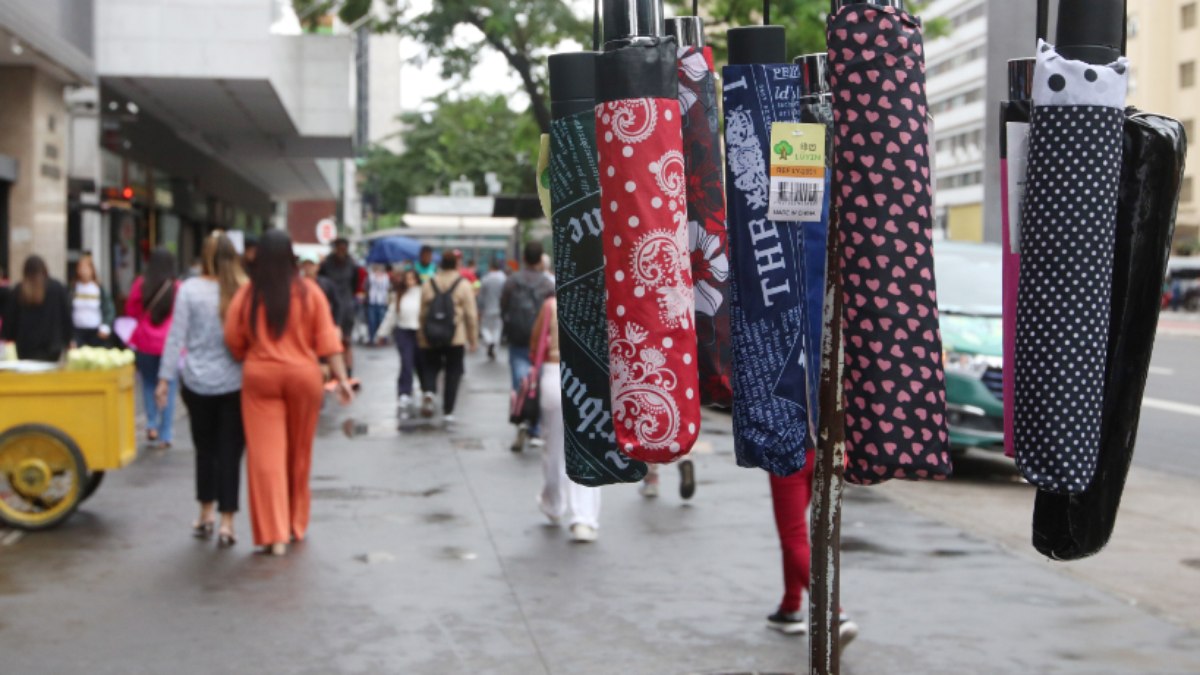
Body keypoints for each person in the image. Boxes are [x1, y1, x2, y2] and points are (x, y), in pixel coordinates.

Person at [224, 230, 353, 556]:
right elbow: (327, 340)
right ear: (291, 257)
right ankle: (296, 523)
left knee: (265, 458)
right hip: (303, 378)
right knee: (298, 455)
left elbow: (233, 340)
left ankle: (274, 534)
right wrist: (343, 380)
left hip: (261, 378)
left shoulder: (249, 294)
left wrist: (250, 353)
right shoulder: (309, 292)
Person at [157, 233, 247, 547]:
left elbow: (175, 336)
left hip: (196, 383)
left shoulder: (189, 290)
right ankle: (228, 522)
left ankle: (205, 511)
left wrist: (164, 379)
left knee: (205, 450)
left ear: (204, 257)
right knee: (230, 453)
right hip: (235, 382)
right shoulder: (242, 290)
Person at [767, 452, 858, 648]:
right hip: (834, 453)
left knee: (793, 536)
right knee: (798, 535)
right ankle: (790, 607)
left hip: (790, 451)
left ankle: (835, 614)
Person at [532, 295, 601, 543]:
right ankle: (583, 518)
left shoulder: (550, 304)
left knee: (553, 447)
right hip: (589, 373)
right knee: (588, 446)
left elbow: (534, 345)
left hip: (554, 372)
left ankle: (553, 503)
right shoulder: (600, 297)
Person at [501, 242, 554, 450]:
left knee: (519, 380)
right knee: (538, 382)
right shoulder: (548, 285)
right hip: (540, 343)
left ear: (523, 258)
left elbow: (503, 306)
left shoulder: (512, 281)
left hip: (517, 338)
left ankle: (521, 419)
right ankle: (535, 429)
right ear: (541, 259)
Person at [126, 247, 179, 448]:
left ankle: (151, 425)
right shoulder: (177, 287)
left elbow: (131, 310)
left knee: (148, 384)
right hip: (169, 344)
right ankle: (165, 434)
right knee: (169, 387)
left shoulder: (141, 284)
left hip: (145, 343)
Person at [418, 249, 478, 421]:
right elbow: (471, 315)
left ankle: (429, 391)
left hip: (431, 334)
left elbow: (422, 313)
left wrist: (421, 335)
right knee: (453, 372)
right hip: (455, 337)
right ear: (457, 264)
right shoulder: (464, 284)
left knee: (430, 366)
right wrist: (473, 339)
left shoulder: (429, 283)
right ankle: (448, 410)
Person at [0, 255, 73, 362]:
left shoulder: (18, 290)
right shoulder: (57, 288)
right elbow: (66, 316)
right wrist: (68, 339)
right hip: (52, 347)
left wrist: (8, 337)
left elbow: (10, 320)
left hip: (25, 347)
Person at [375, 268, 422, 410]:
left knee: (419, 363)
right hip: (403, 331)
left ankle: (425, 388)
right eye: (407, 279)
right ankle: (404, 391)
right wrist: (382, 333)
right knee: (406, 361)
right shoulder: (399, 295)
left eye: (412, 279)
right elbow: (391, 315)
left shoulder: (423, 293)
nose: (410, 282)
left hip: (419, 332)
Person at [318, 237, 362, 374]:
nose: (341, 250)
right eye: (339, 247)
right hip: (330, 305)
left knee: (346, 340)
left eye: (344, 247)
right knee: (329, 339)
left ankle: (347, 371)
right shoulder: (326, 264)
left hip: (346, 305)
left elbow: (355, 284)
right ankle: (333, 371)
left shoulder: (352, 265)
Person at [70, 253, 115, 348]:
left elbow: (109, 309)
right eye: (81, 268)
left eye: (86, 268)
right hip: (78, 331)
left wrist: (106, 326)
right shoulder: (73, 288)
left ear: (92, 270)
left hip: (96, 332)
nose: (83, 271)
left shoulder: (98, 288)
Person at [477, 259, 507, 361]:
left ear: (491, 267)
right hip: (500, 309)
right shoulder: (504, 278)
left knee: (484, 328)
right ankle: (494, 342)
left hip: (487, 308)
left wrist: (479, 308)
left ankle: (489, 341)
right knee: (497, 328)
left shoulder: (485, 279)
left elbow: (481, 296)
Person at [365, 264, 391, 342]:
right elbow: (366, 287)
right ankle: (372, 337)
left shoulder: (386, 277)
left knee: (382, 320)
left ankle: (382, 337)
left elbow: (388, 288)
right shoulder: (370, 277)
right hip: (372, 301)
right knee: (372, 321)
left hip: (382, 302)